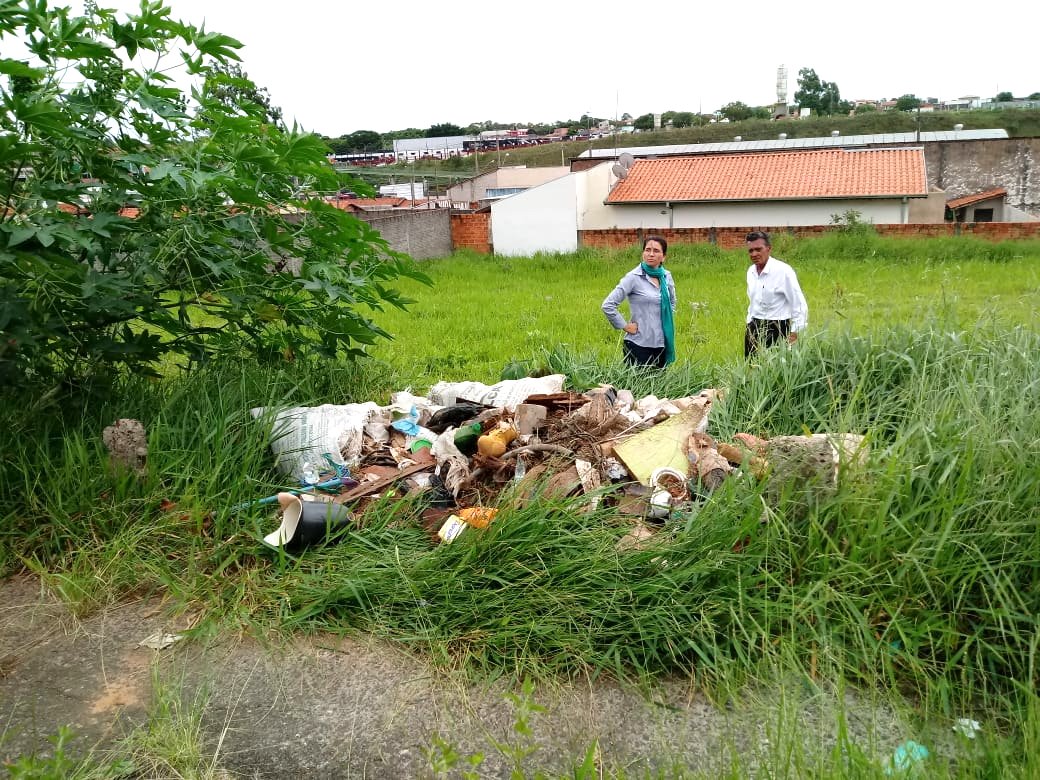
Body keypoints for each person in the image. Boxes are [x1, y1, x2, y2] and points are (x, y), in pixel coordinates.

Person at [601, 235, 676, 368]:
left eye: (656, 251)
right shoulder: (633, 278)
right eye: (647, 250)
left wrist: (665, 323)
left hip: (662, 343)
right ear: (643, 253)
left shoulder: (666, 276)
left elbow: (671, 303)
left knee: (659, 387)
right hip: (638, 344)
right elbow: (608, 305)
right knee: (637, 388)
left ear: (663, 257)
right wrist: (625, 326)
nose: (651, 254)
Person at [744, 230, 808, 358]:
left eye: (758, 249)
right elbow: (753, 300)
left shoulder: (783, 271)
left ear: (768, 249)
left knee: (774, 367)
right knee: (751, 365)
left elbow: (799, 304)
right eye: (751, 251)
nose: (754, 254)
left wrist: (795, 332)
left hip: (777, 328)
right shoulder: (751, 272)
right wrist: (749, 322)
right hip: (754, 325)